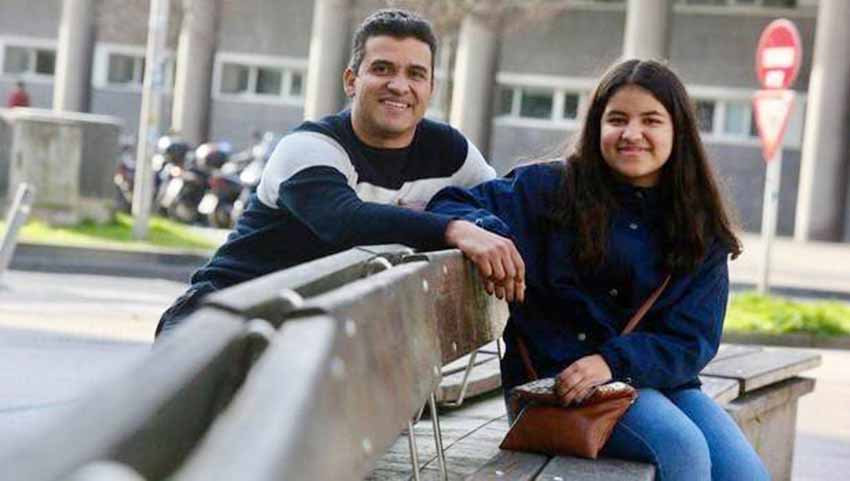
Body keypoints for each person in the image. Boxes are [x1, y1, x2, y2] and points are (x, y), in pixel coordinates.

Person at [426, 59, 769, 481]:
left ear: (677, 132)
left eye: (651, 120)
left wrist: (612, 362)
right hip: (560, 386)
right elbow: (448, 203)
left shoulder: (697, 220)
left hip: (658, 379)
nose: (632, 133)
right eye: (617, 119)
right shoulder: (546, 190)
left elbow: (693, 339)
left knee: (746, 475)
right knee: (681, 447)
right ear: (596, 126)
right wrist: (484, 233)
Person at [155, 8, 525, 338]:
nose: (399, 85)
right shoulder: (309, 147)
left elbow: (501, 210)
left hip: (312, 342)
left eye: (415, 74)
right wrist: (453, 228)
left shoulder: (449, 151)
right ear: (351, 80)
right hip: (218, 323)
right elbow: (343, 220)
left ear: (430, 88)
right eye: (382, 69)